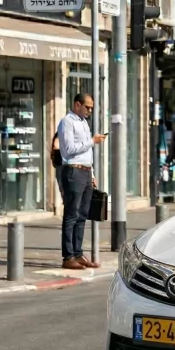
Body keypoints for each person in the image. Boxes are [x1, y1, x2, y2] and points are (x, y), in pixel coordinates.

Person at [57, 93, 106, 270]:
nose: (90, 110)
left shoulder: (84, 122)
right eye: (87, 107)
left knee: (83, 214)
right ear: (77, 104)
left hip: (85, 171)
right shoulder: (67, 122)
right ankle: (68, 256)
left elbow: (87, 153)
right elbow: (69, 149)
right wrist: (92, 141)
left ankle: (78, 253)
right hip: (73, 170)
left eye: (91, 107)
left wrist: (91, 173)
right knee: (71, 213)